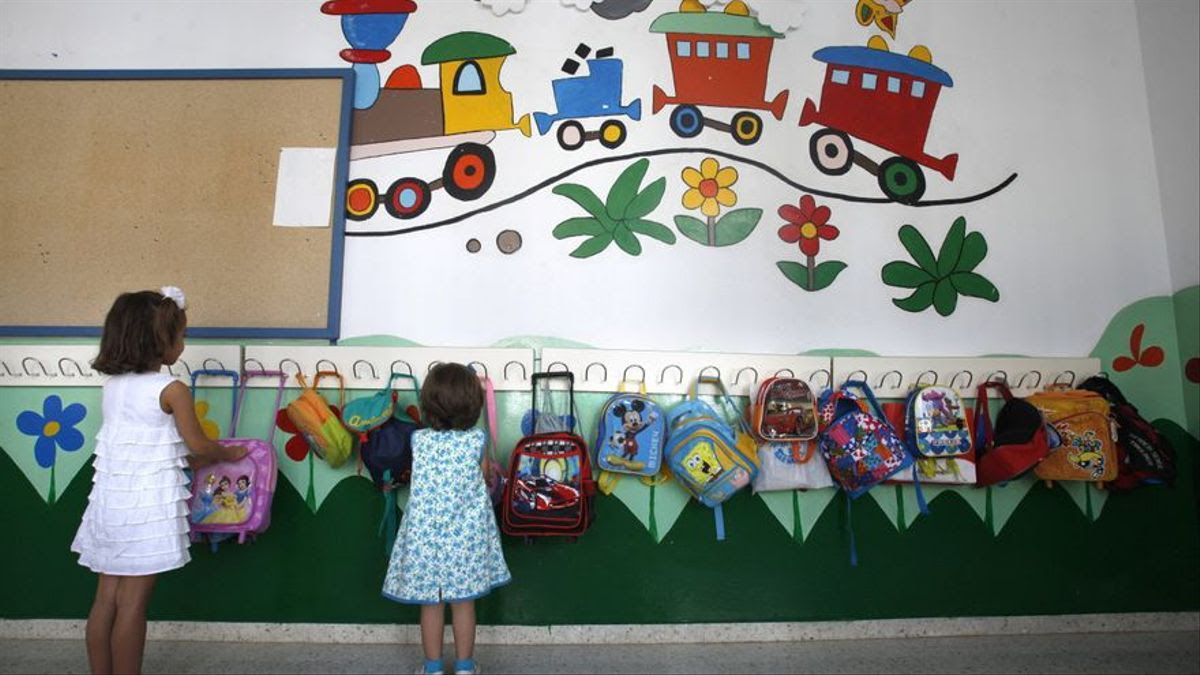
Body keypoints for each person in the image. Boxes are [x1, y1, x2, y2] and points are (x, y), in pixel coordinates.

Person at [70, 287, 246, 675]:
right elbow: (198, 443)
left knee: (106, 600)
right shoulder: (172, 389)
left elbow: (145, 441)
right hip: (146, 508)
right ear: (160, 341)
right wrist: (228, 453)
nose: (182, 345)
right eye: (179, 337)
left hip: (109, 503)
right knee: (134, 604)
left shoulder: (113, 387)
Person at [382, 363, 511, 675]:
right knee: (464, 604)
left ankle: (433, 668)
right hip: (465, 540)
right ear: (472, 404)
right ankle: (466, 667)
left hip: (426, 540)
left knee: (431, 604)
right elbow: (481, 478)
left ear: (429, 403)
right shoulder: (476, 440)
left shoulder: (419, 440)